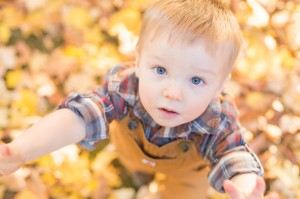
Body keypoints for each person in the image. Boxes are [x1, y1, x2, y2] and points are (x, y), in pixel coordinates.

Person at [0, 0, 278, 198]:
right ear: (138, 59)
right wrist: (22, 150)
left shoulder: (218, 118)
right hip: (132, 153)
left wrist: (244, 186)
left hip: (187, 177)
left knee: (181, 194)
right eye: (160, 70)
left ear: (220, 83)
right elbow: (80, 116)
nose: (173, 93)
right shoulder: (125, 87)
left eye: (196, 80)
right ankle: (138, 177)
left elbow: (233, 154)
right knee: (134, 168)